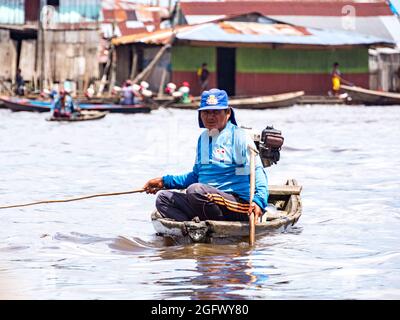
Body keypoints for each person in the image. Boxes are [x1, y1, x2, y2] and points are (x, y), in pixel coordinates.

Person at [143, 88, 269, 222]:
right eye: (206, 112)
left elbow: (257, 171)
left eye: (216, 112)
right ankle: (192, 228)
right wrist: (164, 181)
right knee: (163, 199)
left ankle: (206, 225)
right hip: (205, 200)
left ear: (227, 113)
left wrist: (259, 201)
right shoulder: (203, 139)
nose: (210, 117)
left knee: (195, 190)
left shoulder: (238, 137)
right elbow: (196, 176)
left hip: (237, 205)